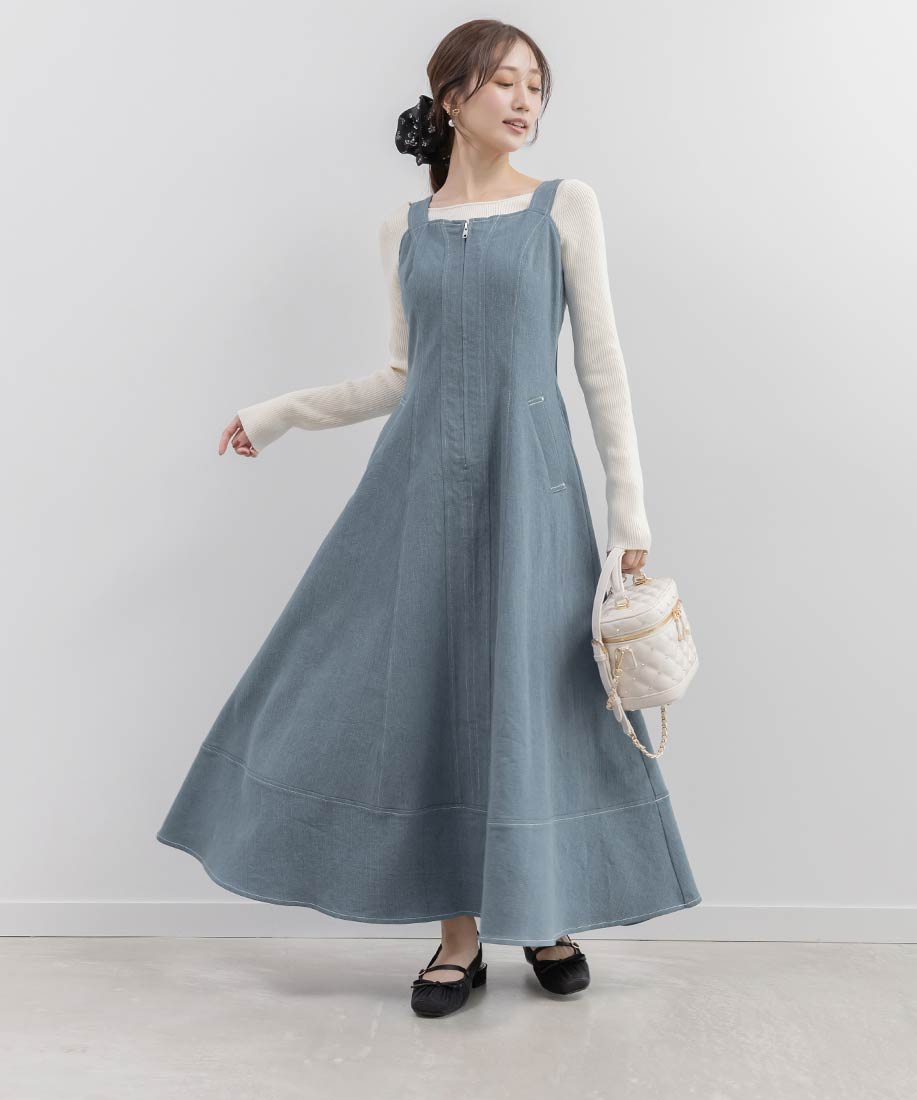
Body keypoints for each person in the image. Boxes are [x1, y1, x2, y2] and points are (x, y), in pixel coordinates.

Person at [157, 19, 701, 1019]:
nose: (524, 100)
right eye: (503, 82)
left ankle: (544, 916)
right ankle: (458, 937)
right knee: (429, 695)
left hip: (531, 490)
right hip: (416, 493)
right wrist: (277, 413)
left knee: (539, 698)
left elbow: (600, 365)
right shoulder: (402, 230)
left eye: (534, 84)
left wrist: (628, 510)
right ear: (451, 98)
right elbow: (400, 378)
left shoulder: (564, 206)